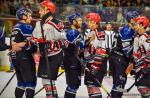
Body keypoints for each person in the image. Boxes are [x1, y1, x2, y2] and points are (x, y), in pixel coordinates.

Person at [32, 0, 67, 98]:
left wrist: (49, 45)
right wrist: (32, 46)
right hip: (44, 56)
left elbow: (65, 42)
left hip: (55, 56)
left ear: (48, 10)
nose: (39, 12)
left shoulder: (57, 24)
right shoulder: (38, 23)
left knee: (48, 81)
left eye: (41, 10)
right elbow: (34, 39)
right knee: (46, 82)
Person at [109, 10, 140, 98]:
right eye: (136, 18)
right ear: (131, 20)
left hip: (119, 58)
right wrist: (134, 62)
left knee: (120, 83)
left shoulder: (130, 29)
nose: (138, 20)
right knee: (119, 83)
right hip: (118, 58)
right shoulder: (127, 30)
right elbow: (127, 50)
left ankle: (113, 95)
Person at [10, 7, 37, 98]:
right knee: (31, 83)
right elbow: (31, 44)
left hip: (16, 58)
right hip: (25, 58)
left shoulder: (15, 27)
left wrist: (19, 45)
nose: (31, 18)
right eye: (29, 16)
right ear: (23, 16)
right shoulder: (27, 27)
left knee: (21, 83)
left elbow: (13, 45)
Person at [84, 12, 107, 98]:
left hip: (97, 64)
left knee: (94, 88)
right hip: (89, 63)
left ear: (94, 22)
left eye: (89, 21)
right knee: (89, 87)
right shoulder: (90, 32)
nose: (87, 23)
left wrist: (95, 66)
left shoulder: (100, 32)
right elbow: (86, 47)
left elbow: (102, 50)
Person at [63, 12, 84, 98]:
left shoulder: (75, 32)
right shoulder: (72, 32)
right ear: (74, 22)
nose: (81, 22)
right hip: (72, 61)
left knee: (75, 85)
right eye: (79, 20)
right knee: (72, 85)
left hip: (74, 61)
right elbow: (80, 47)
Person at [133, 16, 150, 98]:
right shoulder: (136, 37)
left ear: (142, 25)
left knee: (144, 89)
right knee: (141, 89)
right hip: (140, 68)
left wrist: (147, 66)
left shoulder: (147, 37)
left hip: (147, 68)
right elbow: (136, 54)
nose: (134, 25)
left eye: (136, 24)